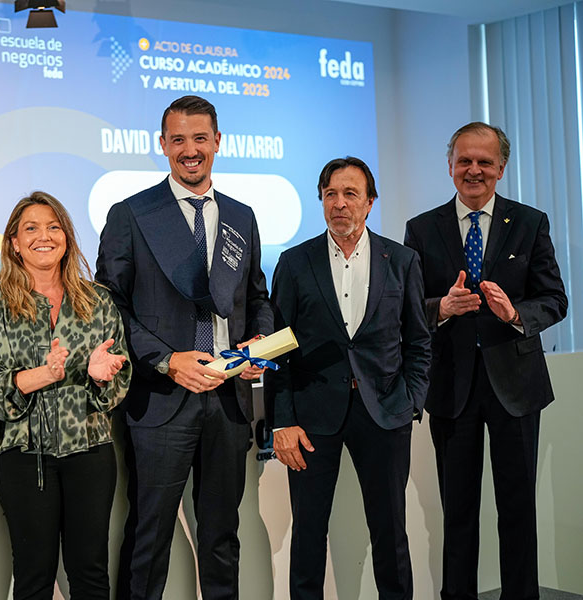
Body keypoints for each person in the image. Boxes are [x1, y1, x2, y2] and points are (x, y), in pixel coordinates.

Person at [96, 95, 273, 600]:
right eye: (178, 140)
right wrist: (167, 360)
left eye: (199, 138)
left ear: (217, 141)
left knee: (222, 536)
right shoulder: (131, 214)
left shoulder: (241, 216)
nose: (189, 150)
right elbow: (110, 307)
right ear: (162, 144)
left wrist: (257, 342)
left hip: (228, 400)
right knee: (149, 537)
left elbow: (256, 297)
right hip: (160, 400)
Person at [404, 123, 567, 599]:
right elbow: (406, 307)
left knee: (518, 509)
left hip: (516, 387)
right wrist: (441, 307)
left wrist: (515, 314)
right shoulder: (422, 228)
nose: (474, 170)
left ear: (501, 168)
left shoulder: (530, 222)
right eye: (464, 161)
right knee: (457, 512)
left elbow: (554, 299)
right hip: (451, 387)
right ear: (450, 165)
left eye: (484, 162)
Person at [264, 157, 431, 600]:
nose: (339, 203)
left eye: (350, 194)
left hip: (385, 412)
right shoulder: (295, 263)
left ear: (370, 202)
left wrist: (411, 401)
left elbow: (419, 341)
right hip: (312, 418)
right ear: (321, 201)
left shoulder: (402, 260)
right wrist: (282, 421)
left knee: (390, 532)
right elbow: (278, 349)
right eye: (330, 194)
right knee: (308, 534)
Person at [0, 191, 130, 600]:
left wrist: (100, 377)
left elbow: (120, 376)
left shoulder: (98, 302)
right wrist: (42, 375)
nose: (44, 236)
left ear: (67, 238)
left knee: (91, 572)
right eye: (31, 228)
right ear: (14, 242)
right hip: (24, 455)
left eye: (54, 227)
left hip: (90, 451)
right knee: (33, 575)